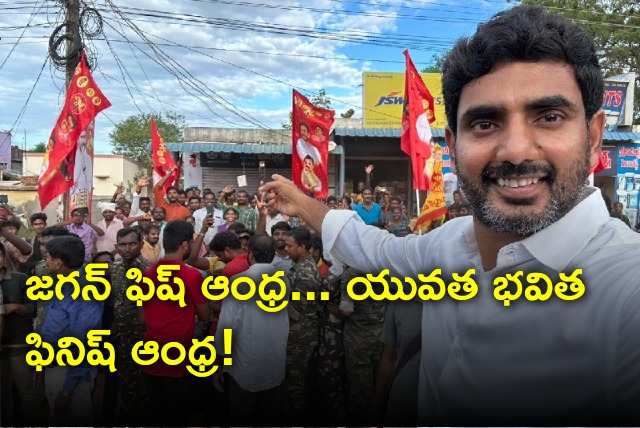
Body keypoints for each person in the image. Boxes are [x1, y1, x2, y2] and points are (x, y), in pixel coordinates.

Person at [261, 5, 640, 425]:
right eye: (484, 123)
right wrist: (299, 202)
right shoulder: (449, 244)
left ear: (592, 136)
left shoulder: (625, 287)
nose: (515, 150)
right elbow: (370, 247)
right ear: (452, 145)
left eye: (549, 117)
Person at [212, 233, 290, 425]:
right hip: (274, 362)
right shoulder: (284, 281)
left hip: (244, 365)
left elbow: (227, 326)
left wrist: (222, 363)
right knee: (270, 416)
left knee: (242, 416)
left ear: (251, 253)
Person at [138, 220, 209, 427]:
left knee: (156, 411)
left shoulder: (147, 275)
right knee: (178, 414)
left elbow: (141, 319)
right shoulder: (191, 275)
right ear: (185, 245)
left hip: (150, 353)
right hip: (179, 355)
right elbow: (204, 316)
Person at [40, 236, 103, 426]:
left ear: (58, 263)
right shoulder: (66, 284)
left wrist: (67, 389)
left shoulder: (83, 289)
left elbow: (85, 340)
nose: (46, 262)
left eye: (48, 257)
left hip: (71, 375)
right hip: (57, 367)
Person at [112, 227, 151, 425]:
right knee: (125, 381)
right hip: (122, 336)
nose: (127, 249)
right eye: (123, 245)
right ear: (116, 247)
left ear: (141, 244)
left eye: (132, 243)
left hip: (144, 337)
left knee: (145, 384)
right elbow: (115, 301)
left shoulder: (150, 270)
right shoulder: (115, 269)